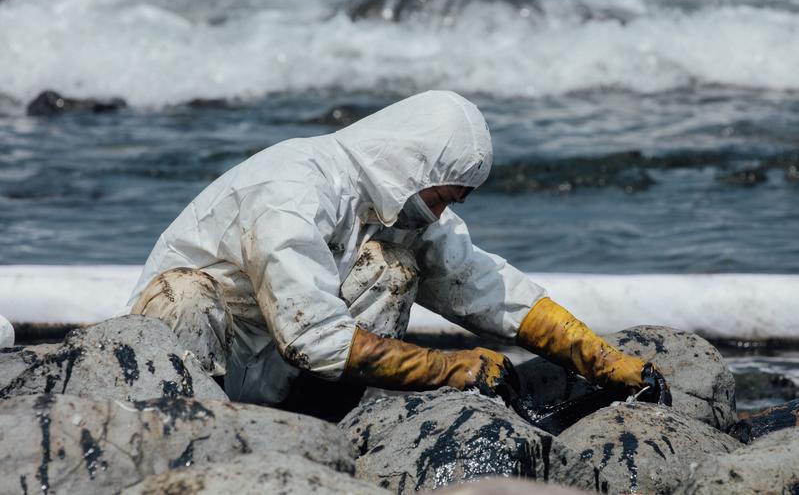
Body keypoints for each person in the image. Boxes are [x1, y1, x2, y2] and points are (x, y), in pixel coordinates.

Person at [126, 90, 670, 421]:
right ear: (413, 167)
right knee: (187, 295)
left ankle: (322, 426)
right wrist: (447, 368)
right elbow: (310, 338)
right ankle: (186, 430)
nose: (437, 216)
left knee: (394, 268)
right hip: (204, 353)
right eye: (439, 199)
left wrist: (598, 358)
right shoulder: (292, 190)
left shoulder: (396, 206)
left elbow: (482, 287)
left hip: (278, 366)